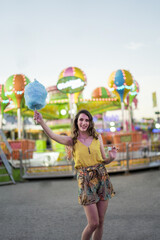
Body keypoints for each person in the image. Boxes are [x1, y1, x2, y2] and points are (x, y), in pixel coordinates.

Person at [34, 109, 117, 240]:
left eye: (86, 120)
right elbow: (53, 135)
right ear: (76, 122)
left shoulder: (97, 137)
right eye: (81, 120)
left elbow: (103, 160)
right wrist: (41, 122)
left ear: (90, 122)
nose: (84, 123)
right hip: (85, 181)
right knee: (93, 223)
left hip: (102, 177)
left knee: (101, 222)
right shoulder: (72, 141)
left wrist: (111, 158)